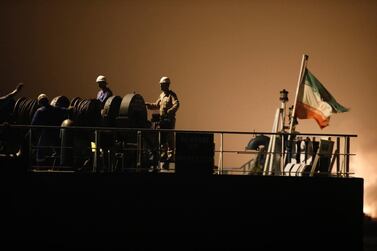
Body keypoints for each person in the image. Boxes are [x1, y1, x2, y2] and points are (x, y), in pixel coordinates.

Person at [146, 76, 179, 165]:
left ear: (166, 85)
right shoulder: (162, 95)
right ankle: (164, 154)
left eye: (162, 85)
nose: (160, 86)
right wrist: (148, 105)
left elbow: (176, 104)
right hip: (162, 120)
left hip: (169, 120)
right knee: (163, 137)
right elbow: (157, 105)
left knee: (169, 137)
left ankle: (171, 155)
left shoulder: (172, 95)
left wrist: (169, 111)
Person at [31, 94, 68, 165]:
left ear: (40, 103)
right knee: (57, 151)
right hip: (56, 134)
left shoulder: (39, 111)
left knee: (40, 151)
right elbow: (67, 110)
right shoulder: (56, 109)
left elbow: (33, 125)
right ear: (48, 101)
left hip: (45, 134)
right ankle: (57, 166)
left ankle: (40, 167)